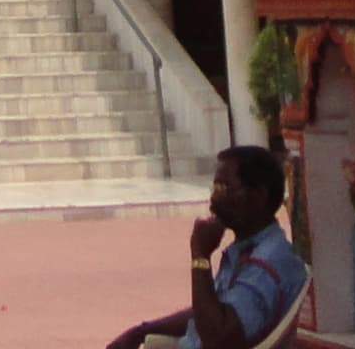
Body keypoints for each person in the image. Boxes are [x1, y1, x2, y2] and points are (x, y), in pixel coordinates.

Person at [105, 147, 307, 349]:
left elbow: (218, 339)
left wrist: (200, 257)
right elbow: (210, 312)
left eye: (224, 188)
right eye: (215, 188)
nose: (214, 200)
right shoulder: (250, 249)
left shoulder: (264, 264)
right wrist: (142, 330)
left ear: (258, 195)